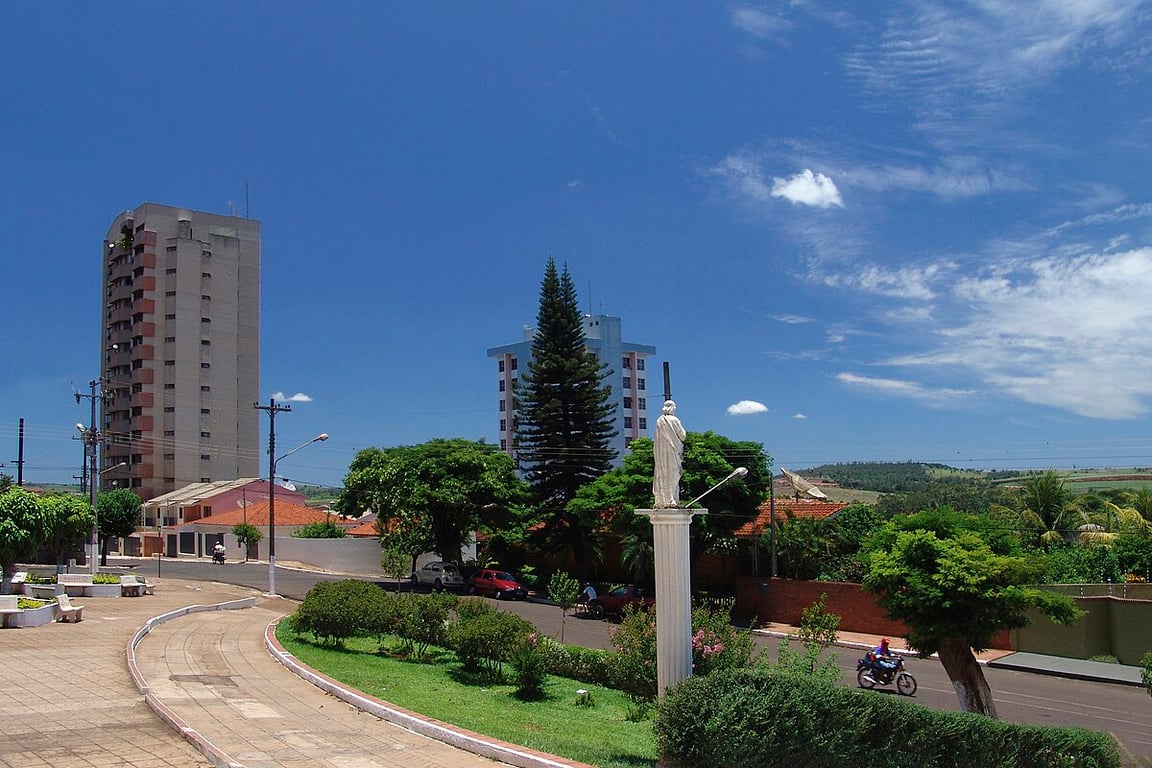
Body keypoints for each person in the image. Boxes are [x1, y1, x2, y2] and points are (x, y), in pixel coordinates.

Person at [653, 400, 687, 508]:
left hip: (661, 455)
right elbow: (683, 436)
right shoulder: (674, 420)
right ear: (672, 408)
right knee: (673, 474)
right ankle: (671, 499)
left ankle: (663, 499)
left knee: (663, 475)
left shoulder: (659, 421)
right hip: (673, 452)